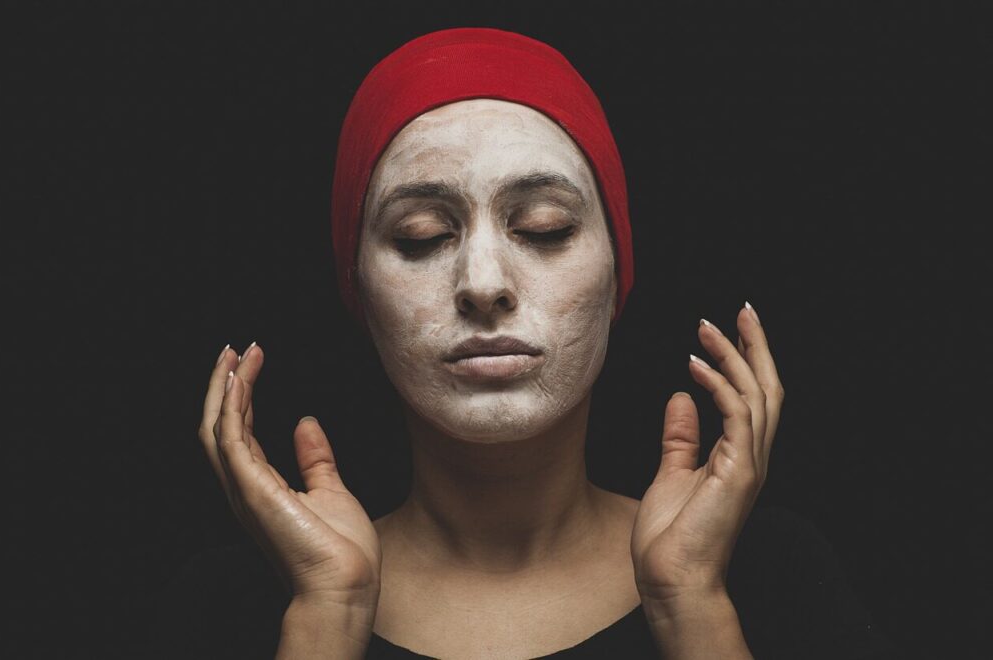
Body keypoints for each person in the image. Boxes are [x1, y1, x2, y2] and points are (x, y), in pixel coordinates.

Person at [149, 27, 897, 659]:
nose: (483, 283)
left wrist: (691, 603)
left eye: (545, 227)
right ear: (360, 295)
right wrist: (326, 615)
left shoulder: (774, 575)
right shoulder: (232, 602)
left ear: (617, 277)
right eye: (422, 237)